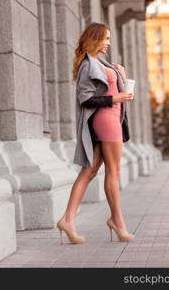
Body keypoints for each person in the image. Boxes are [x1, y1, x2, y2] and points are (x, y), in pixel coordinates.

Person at [56, 22, 135, 244]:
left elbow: (114, 91)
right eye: (106, 38)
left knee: (89, 171)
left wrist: (122, 76)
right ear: (95, 38)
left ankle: (67, 220)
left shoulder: (101, 63)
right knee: (114, 171)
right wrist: (115, 98)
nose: (109, 43)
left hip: (112, 119)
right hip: (106, 120)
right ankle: (118, 222)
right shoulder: (88, 65)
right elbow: (86, 98)